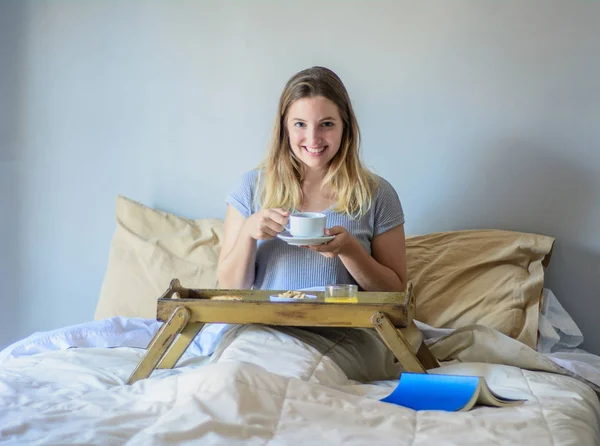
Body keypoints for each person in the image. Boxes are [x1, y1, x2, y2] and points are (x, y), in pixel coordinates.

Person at [216, 66, 408, 381]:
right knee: (233, 380)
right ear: (284, 129)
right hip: (259, 328)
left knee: (297, 382)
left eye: (327, 124)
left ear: (346, 127)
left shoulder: (377, 194)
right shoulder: (250, 188)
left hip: (345, 335)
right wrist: (249, 233)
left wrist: (350, 250)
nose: (313, 138)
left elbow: (395, 295)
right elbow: (230, 289)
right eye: (300, 124)